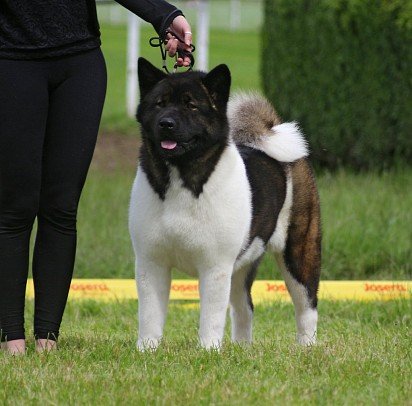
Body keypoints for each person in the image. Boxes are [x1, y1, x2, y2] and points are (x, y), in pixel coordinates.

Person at [0, 0, 192, 355]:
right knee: (15, 208)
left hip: (80, 66)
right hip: (11, 62)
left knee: (61, 207)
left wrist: (165, 16)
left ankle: (47, 340)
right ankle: (12, 338)